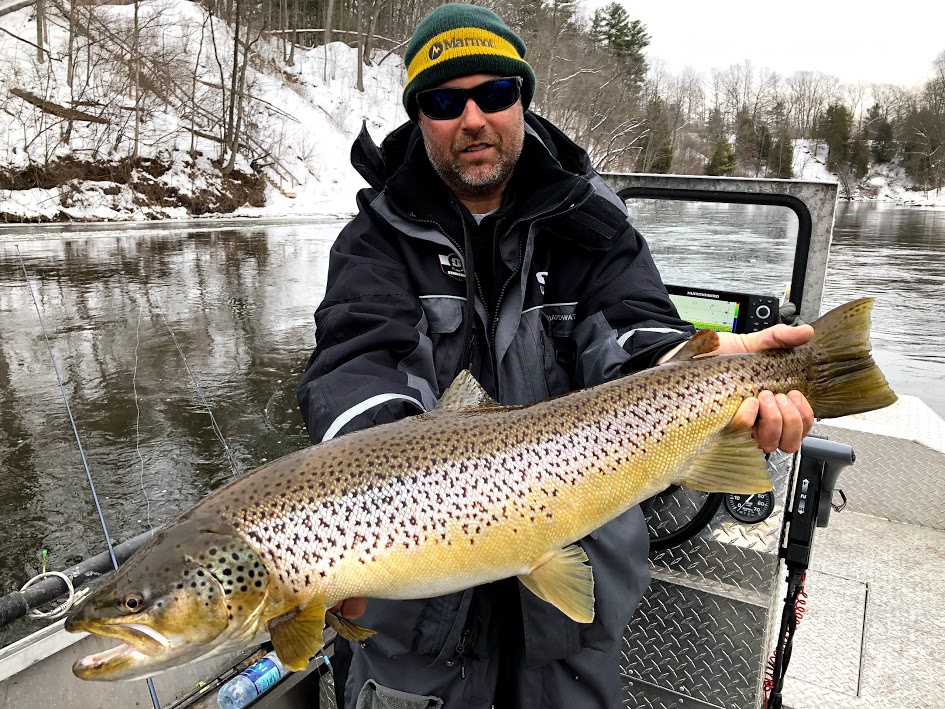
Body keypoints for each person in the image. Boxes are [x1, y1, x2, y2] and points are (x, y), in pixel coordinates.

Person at [297, 4, 815, 707]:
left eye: (494, 93)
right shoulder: (372, 244)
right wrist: (375, 514)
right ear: (419, 118)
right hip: (413, 630)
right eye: (444, 101)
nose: (472, 118)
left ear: (523, 100)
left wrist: (698, 365)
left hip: (572, 625)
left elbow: (634, 334)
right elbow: (357, 368)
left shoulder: (592, 225)